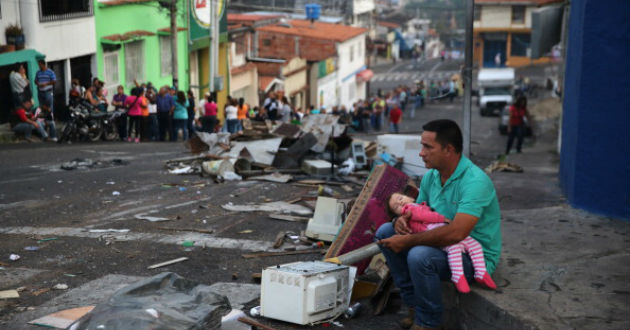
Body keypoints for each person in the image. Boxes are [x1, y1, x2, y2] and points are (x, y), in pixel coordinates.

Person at [376, 119, 501, 330]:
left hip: (471, 255)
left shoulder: (475, 181)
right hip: (442, 244)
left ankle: (429, 323)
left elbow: (457, 232)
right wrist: (401, 221)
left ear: (448, 149)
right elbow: (418, 213)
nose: (421, 153)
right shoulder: (431, 177)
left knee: (419, 255)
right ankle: (414, 306)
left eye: (427, 147)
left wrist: (407, 240)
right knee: (384, 232)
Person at [387, 192, 497, 293]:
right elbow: (426, 216)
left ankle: (481, 272)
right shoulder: (410, 209)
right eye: (397, 206)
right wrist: (443, 218)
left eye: (400, 198)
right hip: (435, 232)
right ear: (398, 214)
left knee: (473, 244)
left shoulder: (417, 205)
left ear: (410, 197)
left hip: (440, 230)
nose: (400, 202)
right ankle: (458, 276)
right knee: (454, 248)